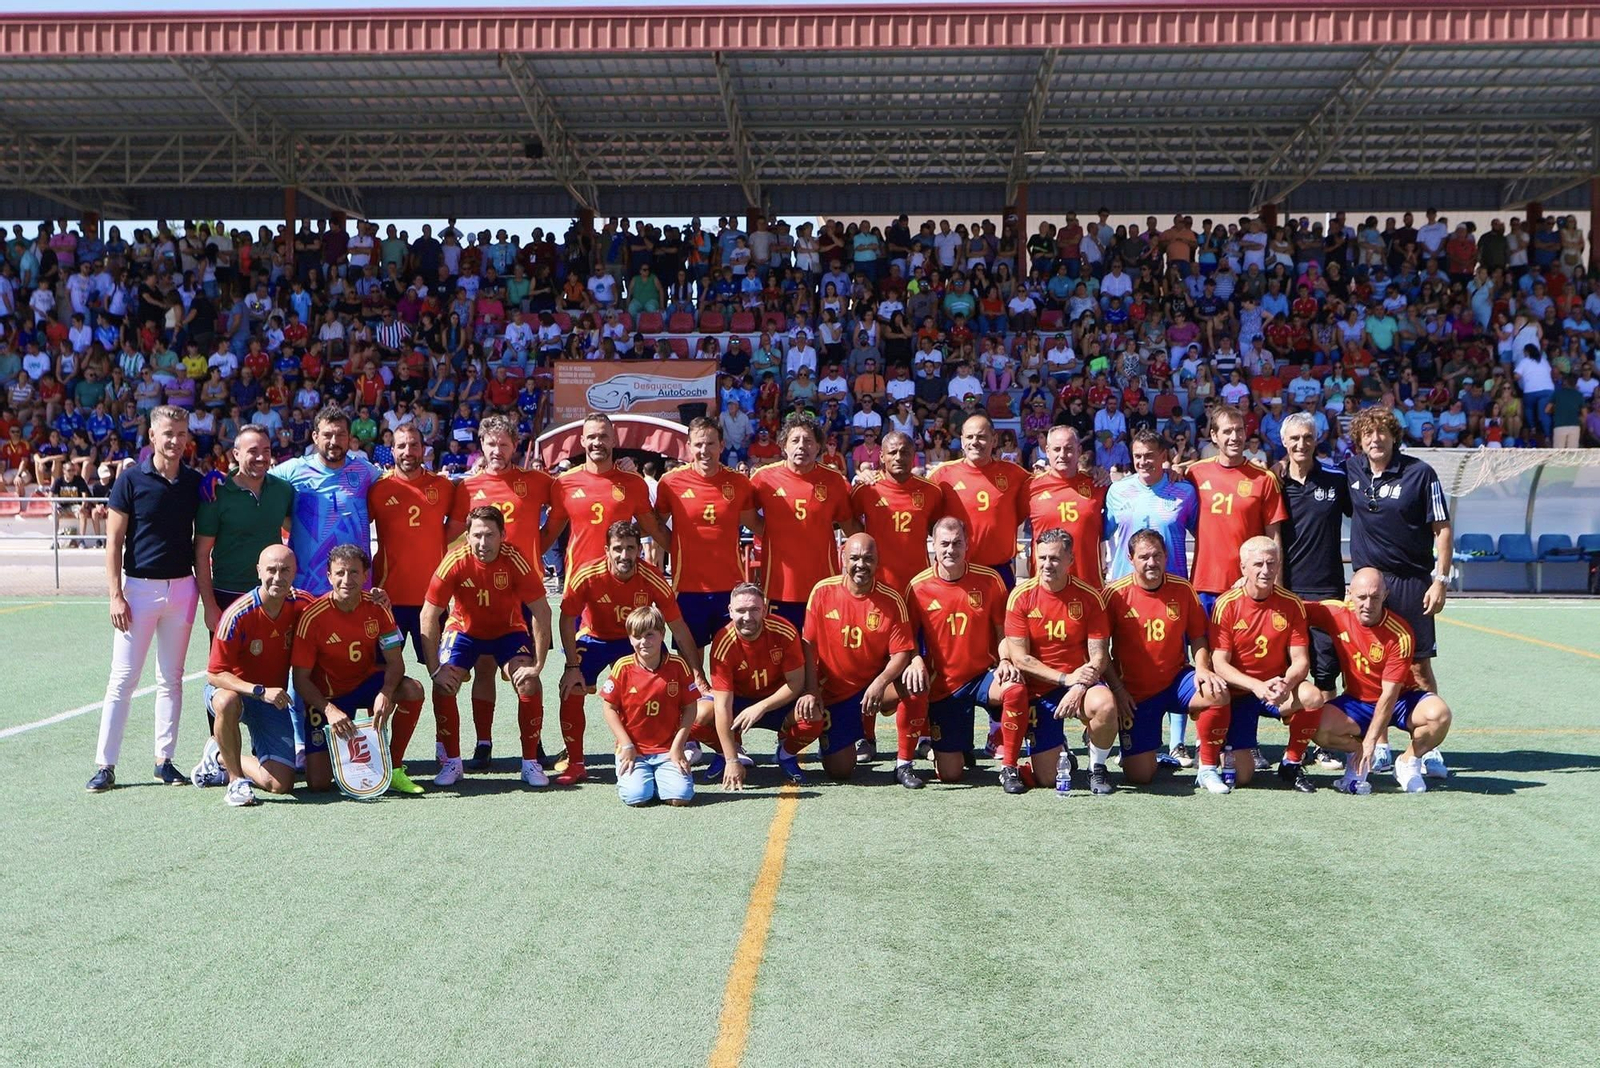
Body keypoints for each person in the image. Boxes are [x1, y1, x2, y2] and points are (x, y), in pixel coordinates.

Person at [87, 405, 202, 793]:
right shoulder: (131, 480)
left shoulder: (194, 482)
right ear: (152, 436)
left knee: (171, 679)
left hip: (182, 589)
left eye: (181, 433)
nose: (175, 440)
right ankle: (105, 765)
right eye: (168, 433)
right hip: (137, 590)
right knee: (122, 680)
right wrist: (115, 594)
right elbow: (114, 542)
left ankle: (164, 760)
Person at [1344, 405, 1452, 778]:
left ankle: (1427, 748)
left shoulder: (1420, 474)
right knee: (1367, 665)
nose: (1375, 439)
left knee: (1419, 666)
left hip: (1411, 583)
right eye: (1368, 433)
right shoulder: (1351, 471)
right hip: (1369, 584)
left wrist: (1440, 579)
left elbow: (1442, 528)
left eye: (1382, 432)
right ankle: (1383, 743)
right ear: (1358, 439)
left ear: (1394, 436)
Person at [557, 521, 704, 786]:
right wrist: (571, 666)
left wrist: (697, 671)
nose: (624, 555)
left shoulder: (652, 577)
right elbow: (566, 619)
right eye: (618, 549)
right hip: (594, 638)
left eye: (630, 548)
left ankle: (667, 744)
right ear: (607, 550)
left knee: (659, 686)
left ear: (639, 550)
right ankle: (576, 762)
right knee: (571, 687)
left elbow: (678, 627)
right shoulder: (587, 574)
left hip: (634, 642)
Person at [447, 414, 554, 769]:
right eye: (491, 444)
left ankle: (532, 745)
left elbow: (569, 502)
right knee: (484, 668)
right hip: (484, 593)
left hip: (524, 593)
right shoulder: (466, 487)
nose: (497, 450)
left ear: (515, 446)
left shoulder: (537, 481)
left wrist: (539, 547)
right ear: (481, 445)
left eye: (503, 444)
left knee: (523, 671)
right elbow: (451, 535)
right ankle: (484, 742)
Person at [421, 506, 552, 788]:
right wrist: (434, 670)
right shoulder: (453, 561)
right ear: (466, 536)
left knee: (529, 683)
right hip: (464, 631)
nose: (483, 543)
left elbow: (542, 612)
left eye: (490, 535)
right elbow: (428, 615)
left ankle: (531, 763)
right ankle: (453, 763)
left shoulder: (516, 559)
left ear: (503, 535)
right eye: (477, 535)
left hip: (508, 630)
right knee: (444, 683)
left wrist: (538, 665)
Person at [290, 544, 426, 793]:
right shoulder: (313, 617)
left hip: (365, 684)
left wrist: (385, 693)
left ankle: (393, 767)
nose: (346, 580)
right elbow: (301, 680)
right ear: (329, 576)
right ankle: (347, 755)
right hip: (328, 697)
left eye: (354, 573)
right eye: (340, 573)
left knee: (412, 690)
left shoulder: (378, 607)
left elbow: (396, 662)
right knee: (319, 783)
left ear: (365, 576)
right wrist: (329, 710)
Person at [1306, 569, 1455, 794]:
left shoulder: (1400, 633)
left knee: (1439, 715)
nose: (1368, 604)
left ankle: (1408, 761)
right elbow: (1292, 608)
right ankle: (1356, 755)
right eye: (1362, 597)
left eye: (1375, 597)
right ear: (1349, 594)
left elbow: (1389, 695)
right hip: (1358, 701)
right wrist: (1248, 589)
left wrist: (1371, 741)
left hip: (1400, 701)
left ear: (1385, 595)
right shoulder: (1335, 612)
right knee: (1315, 727)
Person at [1102, 529, 1230, 789]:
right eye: (1144, 556)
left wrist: (1203, 668)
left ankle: (1206, 768)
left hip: (1175, 681)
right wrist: (1117, 689)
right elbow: (1100, 650)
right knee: (1140, 777)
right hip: (1134, 695)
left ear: (1166, 556)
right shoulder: (1114, 594)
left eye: (1157, 555)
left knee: (1217, 691)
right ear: (1130, 558)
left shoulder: (1182, 589)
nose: (1152, 562)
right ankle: (1150, 756)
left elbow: (1198, 637)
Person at [365, 422, 453, 791]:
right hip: (389, 602)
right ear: (391, 449)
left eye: (414, 445)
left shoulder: (445, 487)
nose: (408, 452)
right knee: (383, 676)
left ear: (424, 448)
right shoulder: (379, 489)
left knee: (445, 677)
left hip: (434, 602)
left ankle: (447, 750)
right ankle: (377, 751)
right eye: (401, 446)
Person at [999, 528, 1119, 795]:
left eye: (1054, 558)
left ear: (1070, 560)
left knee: (1106, 705)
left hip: (1081, 683)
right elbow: (1021, 658)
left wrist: (1077, 687)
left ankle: (1096, 768)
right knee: (1047, 779)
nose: (1046, 565)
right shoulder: (1021, 596)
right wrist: (1065, 679)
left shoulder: (1089, 596)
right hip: (1041, 688)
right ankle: (1058, 749)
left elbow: (1099, 656)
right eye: (1041, 558)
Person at [902, 517, 1018, 784]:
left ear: (968, 544)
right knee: (951, 775)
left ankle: (1009, 765)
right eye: (944, 543)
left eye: (957, 543)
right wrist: (916, 659)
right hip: (944, 685)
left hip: (982, 676)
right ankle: (954, 746)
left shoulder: (990, 580)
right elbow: (906, 637)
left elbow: (1003, 633)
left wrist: (1005, 660)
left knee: (1015, 688)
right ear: (933, 545)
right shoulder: (918, 587)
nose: (950, 550)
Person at [192, 545, 310, 806]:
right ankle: (235, 782)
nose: (277, 577)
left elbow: (333, 609)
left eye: (285, 570)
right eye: (271, 570)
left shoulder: (302, 604)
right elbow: (215, 674)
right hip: (239, 693)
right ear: (258, 571)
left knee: (280, 783)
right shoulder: (237, 614)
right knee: (226, 702)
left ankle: (219, 756)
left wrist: (375, 599)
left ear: (295, 572)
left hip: (271, 701)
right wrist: (258, 690)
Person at [1207, 537, 1324, 792]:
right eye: (1258, 564)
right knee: (1244, 777)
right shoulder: (1226, 605)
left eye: (1271, 563)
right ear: (1243, 568)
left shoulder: (1291, 603)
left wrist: (1287, 682)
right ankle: (1219, 745)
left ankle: (1291, 763)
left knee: (1312, 696)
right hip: (1238, 694)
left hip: (1274, 690)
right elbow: (1219, 663)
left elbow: (1301, 660)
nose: (1266, 570)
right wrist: (1255, 685)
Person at [800, 532, 918, 782]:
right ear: (843, 558)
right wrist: (812, 689)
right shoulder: (822, 592)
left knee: (916, 684)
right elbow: (807, 646)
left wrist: (880, 682)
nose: (861, 564)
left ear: (877, 561)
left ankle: (904, 763)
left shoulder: (891, 599)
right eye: (854, 558)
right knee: (840, 771)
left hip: (873, 689)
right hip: (834, 691)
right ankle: (840, 738)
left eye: (868, 558)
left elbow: (901, 653)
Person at [696, 582, 820, 787]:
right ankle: (727, 750)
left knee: (813, 715)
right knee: (697, 715)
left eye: (754, 609)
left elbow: (796, 684)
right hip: (738, 702)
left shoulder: (784, 631)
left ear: (764, 608)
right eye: (741, 610)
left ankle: (786, 754)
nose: (747, 617)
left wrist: (761, 706)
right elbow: (722, 705)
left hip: (778, 700)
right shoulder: (723, 642)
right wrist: (731, 760)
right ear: (730, 611)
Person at [749, 411, 859, 631]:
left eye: (808, 441)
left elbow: (851, 528)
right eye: (795, 440)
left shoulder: (834, 481)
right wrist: (772, 531)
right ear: (784, 446)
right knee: (781, 655)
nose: (802, 446)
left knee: (823, 654)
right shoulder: (763, 478)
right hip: (779, 588)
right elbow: (746, 517)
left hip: (823, 586)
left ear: (818, 447)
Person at [1275, 410, 1352, 723]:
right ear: (1283, 441)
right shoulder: (1274, 482)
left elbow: (1367, 520)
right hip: (1285, 590)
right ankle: (1285, 739)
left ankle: (1322, 740)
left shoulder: (1336, 480)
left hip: (1327, 589)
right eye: (1294, 438)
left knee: (1325, 669)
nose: (1301, 444)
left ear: (1317, 439)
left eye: (1307, 437)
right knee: (1279, 667)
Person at [654, 417, 757, 648]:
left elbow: (756, 525)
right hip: (688, 588)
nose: (704, 450)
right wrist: (675, 546)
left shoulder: (739, 482)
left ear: (721, 445)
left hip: (730, 586)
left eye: (711, 444)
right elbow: (655, 524)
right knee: (692, 666)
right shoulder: (670, 482)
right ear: (688, 446)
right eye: (698, 444)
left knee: (733, 659)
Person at [194, 425, 295, 636]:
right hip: (228, 595)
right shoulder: (216, 493)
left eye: (266, 451)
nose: (261, 457)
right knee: (227, 669)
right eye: (253, 451)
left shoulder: (282, 490)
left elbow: (294, 528)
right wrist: (209, 606)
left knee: (272, 667)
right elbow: (201, 554)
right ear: (236, 454)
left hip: (272, 594)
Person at [541, 411, 666, 579]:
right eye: (591, 437)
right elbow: (549, 533)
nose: (597, 442)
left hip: (621, 578)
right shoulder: (564, 483)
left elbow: (654, 528)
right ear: (582, 441)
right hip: (580, 580)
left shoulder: (633, 483)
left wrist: (685, 555)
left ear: (613, 440)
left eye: (603, 436)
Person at [271, 404, 381, 593]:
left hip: (355, 585)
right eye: (327, 435)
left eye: (340, 435)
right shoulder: (292, 470)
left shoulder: (366, 471)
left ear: (349, 438)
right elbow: (255, 482)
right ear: (315, 437)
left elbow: (399, 482)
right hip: (308, 585)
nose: (333, 441)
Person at [601, 605, 701, 807]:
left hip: (667, 749)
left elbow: (691, 707)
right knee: (636, 798)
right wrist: (626, 745)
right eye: (636, 636)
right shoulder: (622, 667)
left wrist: (678, 746)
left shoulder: (678, 666)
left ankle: (661, 778)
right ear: (630, 638)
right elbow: (609, 708)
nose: (643, 642)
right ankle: (645, 779)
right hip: (633, 751)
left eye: (649, 635)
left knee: (680, 798)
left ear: (662, 634)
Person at [929, 413, 1029, 586]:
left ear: (994, 439)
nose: (974, 442)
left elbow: (1049, 483)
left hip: (999, 569)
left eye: (981, 437)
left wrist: (1088, 475)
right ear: (961, 441)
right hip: (958, 570)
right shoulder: (941, 475)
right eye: (969, 437)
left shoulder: (1014, 474)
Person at [848, 429, 944, 595]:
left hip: (918, 580)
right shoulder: (867, 489)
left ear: (913, 456)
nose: (899, 457)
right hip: (878, 580)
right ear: (882, 457)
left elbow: (936, 530)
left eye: (905, 452)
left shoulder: (931, 491)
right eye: (892, 452)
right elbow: (848, 520)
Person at [1104, 429, 1199, 583]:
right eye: (1137, 456)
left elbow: (1203, 537)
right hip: (1126, 587)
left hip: (1172, 587)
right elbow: (1098, 534)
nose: (1142, 462)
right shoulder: (1117, 490)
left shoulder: (1185, 491)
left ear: (1163, 456)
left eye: (1149, 456)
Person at [1026, 425, 1106, 586]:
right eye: (1057, 449)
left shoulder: (1098, 484)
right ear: (1047, 451)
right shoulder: (1029, 487)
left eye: (1069, 448)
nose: (1062, 455)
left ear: (1079, 450)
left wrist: (1169, 473)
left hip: (1088, 587)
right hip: (1045, 587)